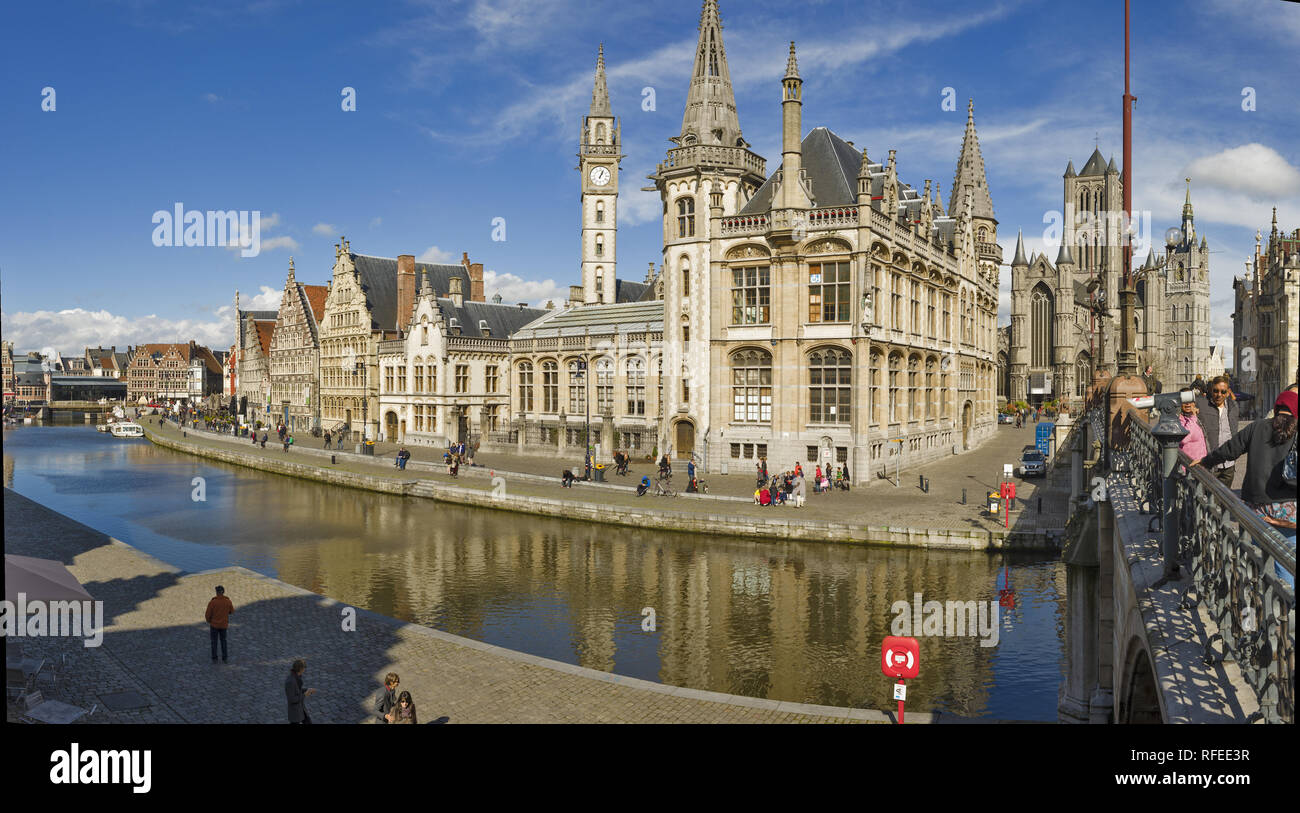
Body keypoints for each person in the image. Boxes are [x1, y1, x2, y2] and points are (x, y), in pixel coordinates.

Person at [1195, 391, 1298, 587]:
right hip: (1290, 512)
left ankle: (1261, 604)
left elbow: (1230, 450)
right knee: (1287, 564)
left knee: (1261, 560)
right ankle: (1286, 612)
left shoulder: (1257, 427)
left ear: (1276, 408)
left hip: (1258, 508)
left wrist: (1205, 461)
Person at [1195, 375, 1240, 488]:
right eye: (1216, 391)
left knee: (1225, 501)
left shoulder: (1233, 406)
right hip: (1210, 463)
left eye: (1223, 392)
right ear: (1211, 390)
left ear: (1228, 392)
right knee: (1210, 502)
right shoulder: (1201, 403)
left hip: (1229, 465)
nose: (1219, 395)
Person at [1177, 386, 1208, 461]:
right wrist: (1193, 417)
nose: (1188, 403)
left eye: (1190, 400)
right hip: (1188, 466)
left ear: (1194, 402)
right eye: (1184, 401)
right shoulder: (1179, 419)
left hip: (1201, 463)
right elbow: (1184, 439)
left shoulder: (1197, 416)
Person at [205, 585, 234, 663]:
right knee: (223, 641)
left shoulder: (212, 602)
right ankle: (225, 658)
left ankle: (215, 658)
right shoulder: (228, 601)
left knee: (214, 642)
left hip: (214, 625)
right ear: (223, 592)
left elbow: (208, 614)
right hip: (224, 625)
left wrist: (209, 621)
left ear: (216, 592)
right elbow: (232, 611)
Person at [285, 659, 316, 724]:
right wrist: (304, 695)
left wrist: (307, 689)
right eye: (304, 668)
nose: (304, 670)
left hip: (301, 708)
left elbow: (297, 690)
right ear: (301, 669)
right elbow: (292, 699)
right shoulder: (290, 682)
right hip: (295, 711)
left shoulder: (296, 677)